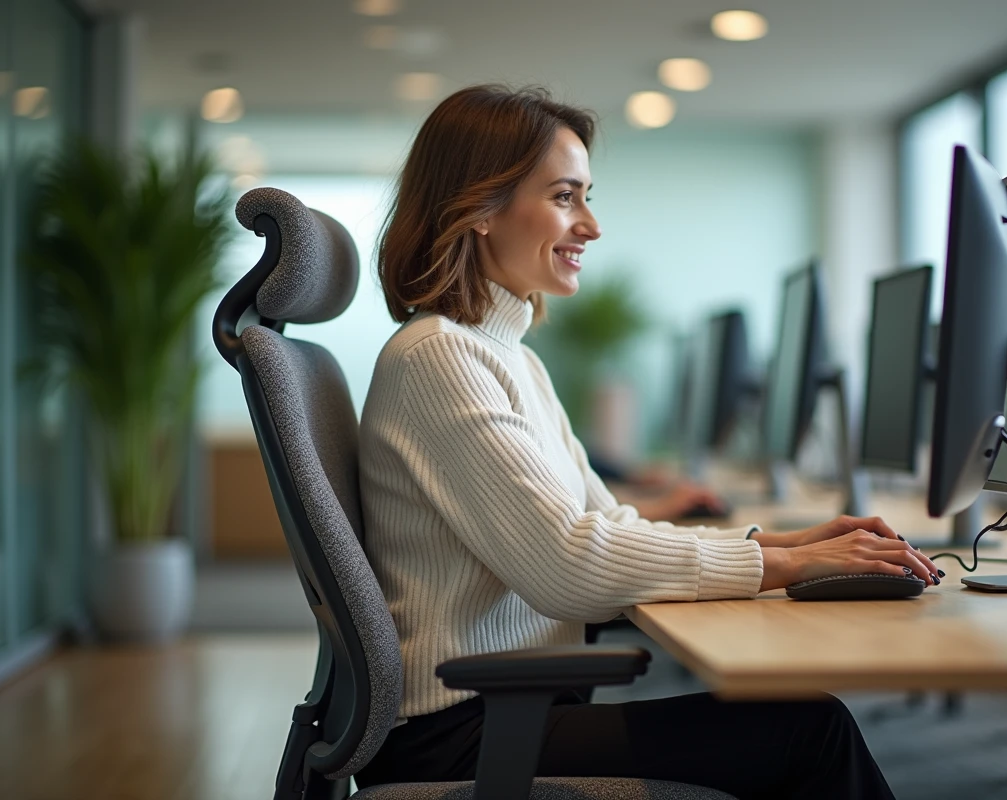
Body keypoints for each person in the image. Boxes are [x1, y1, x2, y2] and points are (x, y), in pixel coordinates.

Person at [357, 84, 936, 799]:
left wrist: (790, 547)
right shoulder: (438, 356)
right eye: (566, 196)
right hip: (459, 735)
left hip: (508, 710)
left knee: (797, 724)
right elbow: (568, 566)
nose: (591, 226)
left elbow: (604, 524)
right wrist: (782, 564)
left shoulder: (509, 358)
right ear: (479, 208)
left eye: (586, 196)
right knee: (808, 730)